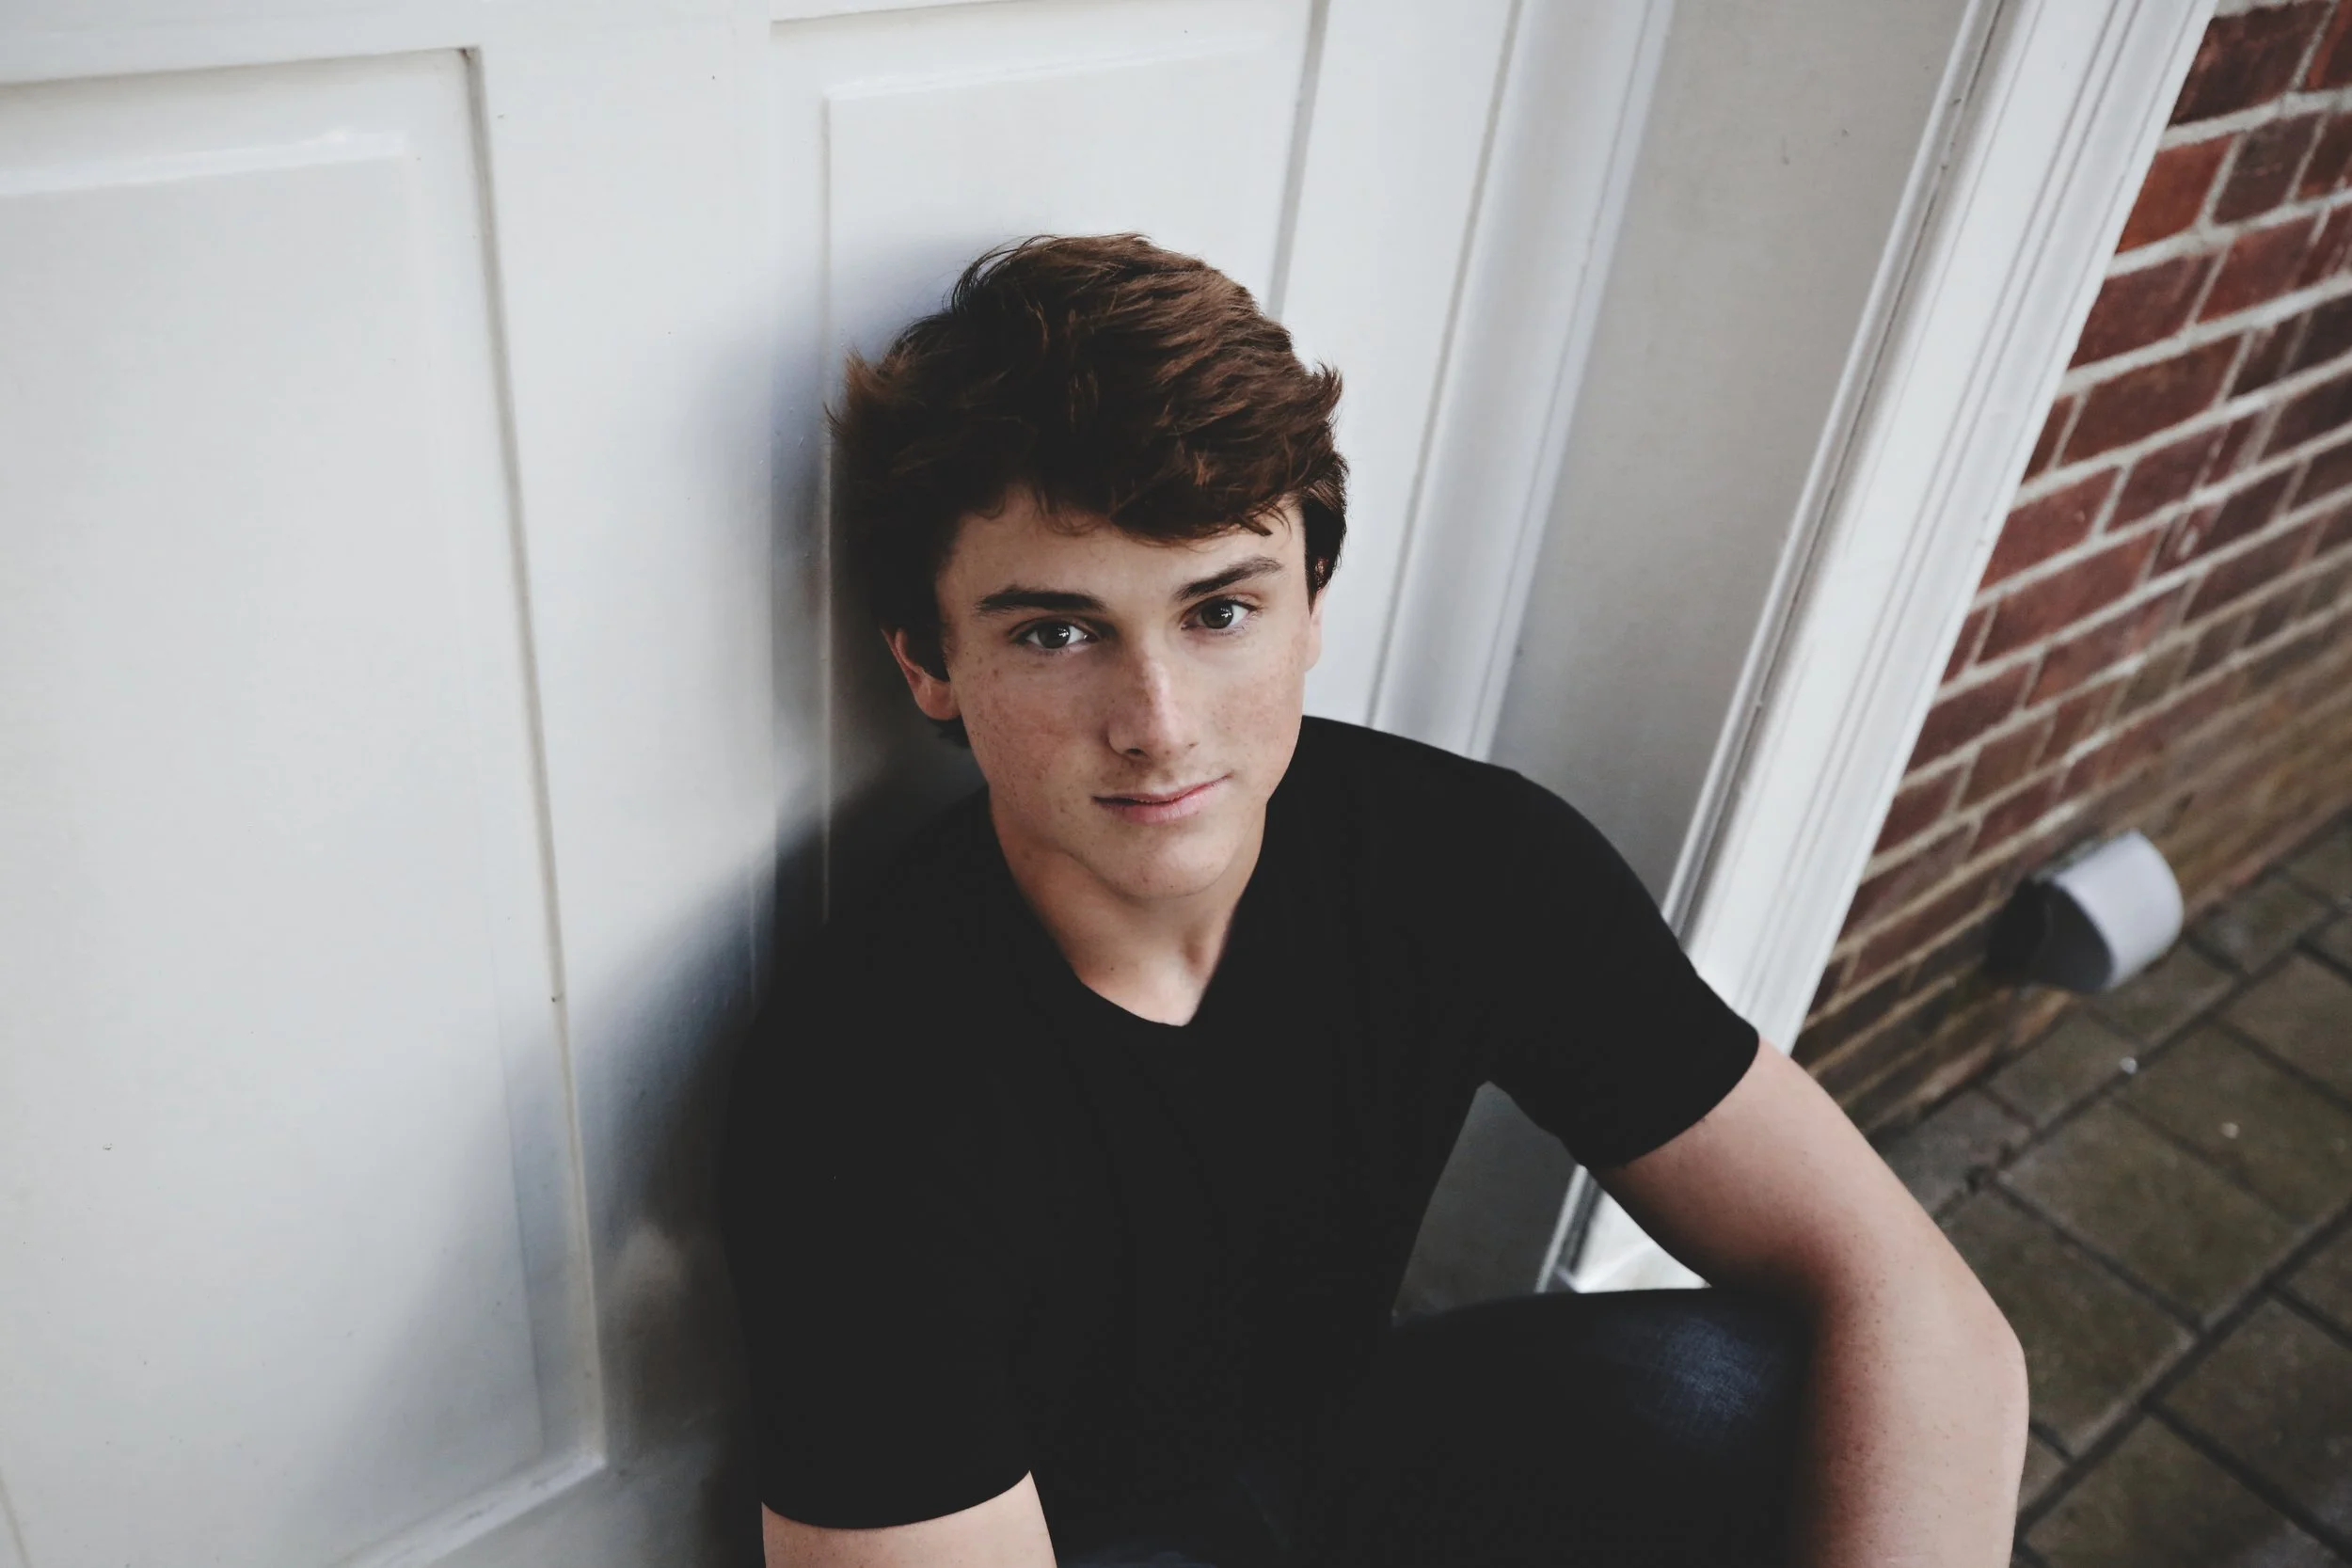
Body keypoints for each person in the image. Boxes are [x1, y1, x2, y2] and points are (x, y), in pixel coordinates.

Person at [718, 234, 2028, 1568]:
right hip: (1063, 1537)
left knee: (1751, 1391)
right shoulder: (854, 1093)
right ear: (928, 662)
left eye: (1220, 612)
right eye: (1056, 632)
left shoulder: (1469, 862)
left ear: (1311, 609)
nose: (1158, 725)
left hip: (1352, 1455)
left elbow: (1907, 1288)